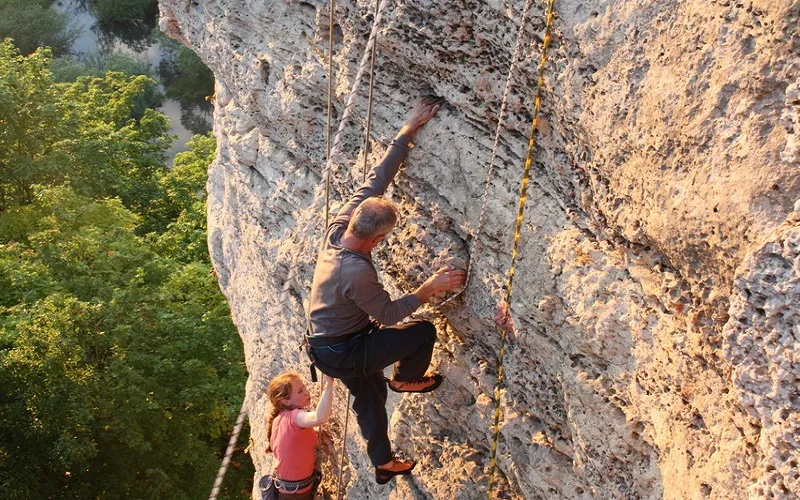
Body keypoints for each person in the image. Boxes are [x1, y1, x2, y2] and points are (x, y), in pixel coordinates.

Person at [306, 96, 466, 485]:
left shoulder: (339, 228)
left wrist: (407, 131)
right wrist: (430, 287)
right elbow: (390, 316)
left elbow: (376, 180)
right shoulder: (356, 272)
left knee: (369, 396)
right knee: (422, 332)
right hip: (345, 350)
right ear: (377, 241)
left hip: (328, 347)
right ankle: (405, 379)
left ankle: (382, 463)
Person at [265, 371, 334, 499]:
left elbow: (291, 445)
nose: (307, 392)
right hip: (295, 494)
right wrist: (329, 385)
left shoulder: (278, 420)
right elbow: (319, 418)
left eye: (304, 388)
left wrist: (317, 435)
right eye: (300, 391)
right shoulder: (294, 416)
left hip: (288, 490)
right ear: (285, 401)